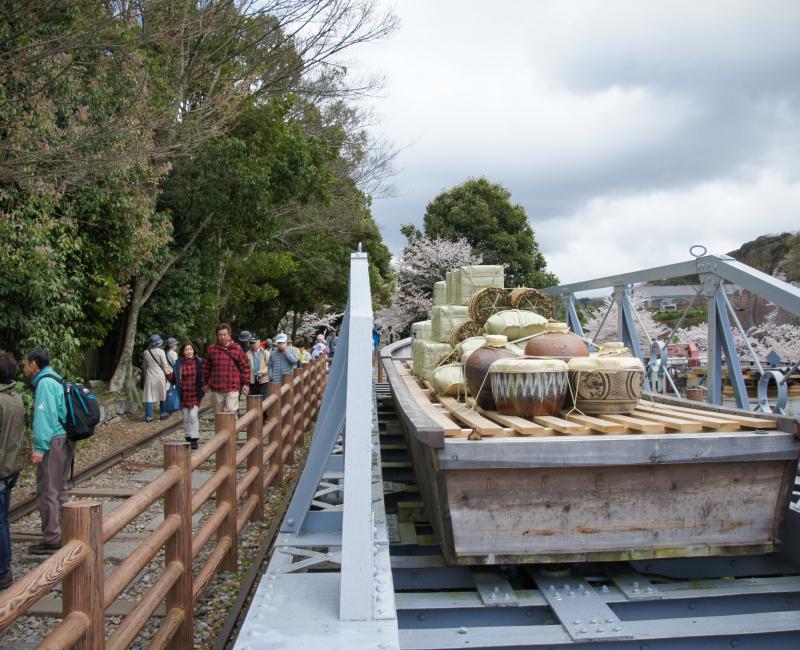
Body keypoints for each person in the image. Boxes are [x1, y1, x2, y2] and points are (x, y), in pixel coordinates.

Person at [23, 347, 73, 554]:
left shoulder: (44, 383)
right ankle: (65, 530)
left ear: (34, 364)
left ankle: (52, 536)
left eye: (26, 363)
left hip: (53, 441)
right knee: (61, 488)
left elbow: (45, 417)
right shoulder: (57, 378)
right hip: (66, 438)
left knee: (48, 490)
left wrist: (40, 447)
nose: (24, 367)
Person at [0, 353, 24, 587]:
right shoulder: (15, 397)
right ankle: (4, 568)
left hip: (2, 466)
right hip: (11, 465)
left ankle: (3, 570)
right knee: (3, 519)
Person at [203, 323, 251, 413]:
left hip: (232, 387)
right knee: (219, 415)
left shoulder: (237, 348)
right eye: (220, 335)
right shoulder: (211, 349)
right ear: (217, 336)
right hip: (216, 388)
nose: (223, 337)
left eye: (225, 335)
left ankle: (233, 427)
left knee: (230, 412)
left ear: (229, 335)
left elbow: (245, 367)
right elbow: (206, 368)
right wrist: (205, 383)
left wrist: (245, 383)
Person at [171, 342, 204, 450]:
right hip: (183, 393)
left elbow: (204, 376)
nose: (189, 351)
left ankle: (194, 438)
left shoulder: (199, 362)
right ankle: (188, 436)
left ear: (194, 350)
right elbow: (174, 380)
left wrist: (206, 386)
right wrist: (168, 374)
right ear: (183, 352)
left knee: (193, 416)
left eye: (190, 349)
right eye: (186, 350)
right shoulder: (178, 363)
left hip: (195, 392)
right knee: (186, 417)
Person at [142, 334, 172, 422]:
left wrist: (145, 376)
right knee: (162, 393)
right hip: (160, 375)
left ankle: (149, 416)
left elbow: (145, 366)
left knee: (149, 395)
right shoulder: (161, 352)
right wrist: (170, 376)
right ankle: (163, 413)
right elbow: (165, 366)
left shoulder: (146, 352)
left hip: (150, 375)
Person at [247, 334, 269, 399]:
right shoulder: (247, 354)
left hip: (263, 380)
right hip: (252, 381)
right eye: (251, 343)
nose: (252, 344)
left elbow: (269, 366)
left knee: (264, 400)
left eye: (254, 342)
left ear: (259, 342)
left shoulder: (265, 353)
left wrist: (263, 372)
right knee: (252, 399)